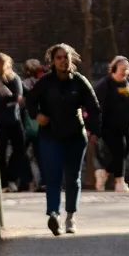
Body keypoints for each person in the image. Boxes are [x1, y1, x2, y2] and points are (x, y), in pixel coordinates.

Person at [26, 43, 101, 235]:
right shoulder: (45, 82)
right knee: (53, 176)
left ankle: (70, 216)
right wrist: (37, 115)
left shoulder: (79, 81)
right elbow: (30, 101)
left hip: (75, 135)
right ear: (53, 61)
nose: (63, 61)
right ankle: (53, 214)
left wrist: (93, 131)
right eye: (59, 57)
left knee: (73, 177)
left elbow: (94, 107)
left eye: (65, 57)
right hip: (50, 135)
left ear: (71, 59)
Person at [91, 55, 129, 192]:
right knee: (119, 150)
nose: (125, 71)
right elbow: (95, 104)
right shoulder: (105, 84)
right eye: (122, 68)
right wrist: (94, 125)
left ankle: (104, 173)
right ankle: (120, 182)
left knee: (124, 152)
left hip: (127, 123)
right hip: (109, 125)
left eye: (127, 68)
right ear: (113, 69)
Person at [0, 52, 35, 191]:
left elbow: (23, 93)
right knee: (0, 152)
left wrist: (18, 98)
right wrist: (12, 98)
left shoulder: (14, 78)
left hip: (14, 119)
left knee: (21, 150)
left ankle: (11, 176)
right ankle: (3, 183)